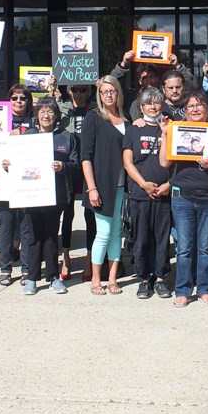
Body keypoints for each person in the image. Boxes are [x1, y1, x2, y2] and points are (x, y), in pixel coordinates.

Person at [159, 90, 208, 307]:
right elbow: (165, 164)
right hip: (182, 196)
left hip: (207, 197)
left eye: (200, 105)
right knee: (184, 247)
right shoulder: (177, 130)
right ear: (184, 112)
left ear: (207, 110)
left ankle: (205, 289)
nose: (195, 109)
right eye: (191, 106)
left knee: (205, 247)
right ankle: (183, 290)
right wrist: (165, 134)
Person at [22, 98, 79, 295]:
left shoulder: (65, 137)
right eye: (42, 111)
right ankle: (31, 278)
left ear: (56, 115)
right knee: (33, 236)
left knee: (51, 237)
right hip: (31, 194)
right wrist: (8, 166)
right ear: (36, 115)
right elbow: (17, 162)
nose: (46, 115)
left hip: (56, 194)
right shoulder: (27, 136)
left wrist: (62, 166)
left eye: (50, 112)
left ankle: (53, 277)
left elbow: (75, 164)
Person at [122, 88, 173, 299]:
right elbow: (127, 162)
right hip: (140, 193)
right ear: (141, 107)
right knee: (141, 238)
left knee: (162, 238)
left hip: (164, 192)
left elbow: (173, 161)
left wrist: (167, 185)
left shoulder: (171, 127)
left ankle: (160, 278)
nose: (153, 107)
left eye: (157, 103)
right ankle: (144, 279)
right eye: (148, 103)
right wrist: (144, 185)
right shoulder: (133, 129)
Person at [81, 75, 129, 295]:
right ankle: (95, 280)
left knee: (117, 232)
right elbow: (86, 156)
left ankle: (112, 279)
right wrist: (92, 188)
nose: (108, 95)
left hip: (121, 185)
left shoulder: (126, 118)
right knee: (104, 232)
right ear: (100, 95)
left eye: (112, 91)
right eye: (104, 92)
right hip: (101, 185)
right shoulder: (94, 118)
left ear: (118, 93)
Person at [56, 83, 97, 279]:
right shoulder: (63, 109)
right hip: (69, 165)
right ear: (69, 91)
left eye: (83, 90)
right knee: (68, 212)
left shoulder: (95, 108)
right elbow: (47, 114)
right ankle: (66, 257)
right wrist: (50, 90)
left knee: (90, 213)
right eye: (75, 90)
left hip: (89, 164)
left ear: (88, 91)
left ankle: (89, 258)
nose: (79, 94)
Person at [0, 83, 35, 286]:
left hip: (27, 181)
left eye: (23, 98)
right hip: (3, 181)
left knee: (25, 226)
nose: (19, 101)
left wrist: (25, 134)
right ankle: (5, 269)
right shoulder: (0, 120)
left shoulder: (33, 121)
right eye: (14, 98)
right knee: (5, 225)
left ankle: (27, 269)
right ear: (8, 100)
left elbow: (43, 136)